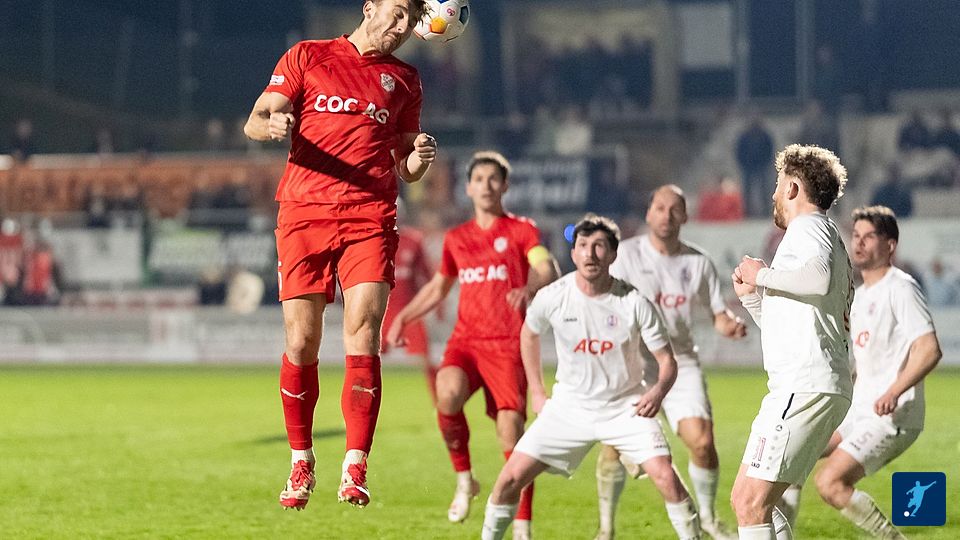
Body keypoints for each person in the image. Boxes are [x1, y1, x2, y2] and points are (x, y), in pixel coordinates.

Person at [242, 0, 435, 510]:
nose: (402, 27)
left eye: (410, 21)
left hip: (370, 216)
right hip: (304, 213)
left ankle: (355, 465)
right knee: (301, 340)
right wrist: (270, 127)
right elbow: (255, 120)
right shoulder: (308, 55)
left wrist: (418, 158)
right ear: (370, 7)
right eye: (396, 13)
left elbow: (405, 164)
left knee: (363, 331)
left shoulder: (405, 79)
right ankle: (301, 460)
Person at [480, 214, 702, 540]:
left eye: (599, 246)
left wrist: (656, 393)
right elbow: (529, 334)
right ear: (573, 254)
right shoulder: (554, 296)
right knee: (509, 480)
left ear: (612, 255)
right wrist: (537, 391)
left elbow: (667, 361)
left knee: (666, 477)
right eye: (583, 245)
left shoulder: (634, 302)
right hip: (569, 408)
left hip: (625, 407)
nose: (590, 254)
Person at [387, 151, 560, 539]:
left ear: (505, 186)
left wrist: (530, 287)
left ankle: (522, 526)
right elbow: (438, 286)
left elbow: (545, 266)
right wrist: (403, 316)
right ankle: (465, 480)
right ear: (468, 188)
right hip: (465, 341)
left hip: (507, 345)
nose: (486, 185)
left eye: (493, 178)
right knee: (446, 393)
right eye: (479, 179)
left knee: (511, 434)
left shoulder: (522, 231)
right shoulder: (457, 239)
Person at [777, 205, 941, 538]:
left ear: (890, 245)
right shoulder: (858, 295)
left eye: (869, 236)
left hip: (891, 415)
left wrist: (893, 391)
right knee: (788, 461)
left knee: (830, 482)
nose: (859, 243)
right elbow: (859, 362)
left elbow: (929, 349)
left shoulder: (901, 288)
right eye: (856, 236)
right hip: (858, 410)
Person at [595, 185, 747, 540]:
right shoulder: (625, 256)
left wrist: (730, 325)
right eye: (660, 207)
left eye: (675, 209)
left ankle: (708, 519)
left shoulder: (698, 263)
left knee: (703, 443)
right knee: (613, 447)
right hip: (633, 364)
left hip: (680, 362)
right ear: (649, 213)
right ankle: (606, 528)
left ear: (685, 216)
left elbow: (717, 314)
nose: (667, 215)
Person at [731, 144, 854, 539]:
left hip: (805, 385)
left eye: (778, 184)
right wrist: (753, 298)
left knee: (751, 503)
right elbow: (789, 323)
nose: (774, 194)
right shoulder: (820, 234)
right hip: (807, 384)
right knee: (751, 501)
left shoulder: (809, 227)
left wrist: (762, 275)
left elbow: (818, 279)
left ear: (793, 188)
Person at [380, 218, 438, 403]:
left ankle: (440, 404)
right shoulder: (375, 239)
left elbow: (427, 274)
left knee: (425, 359)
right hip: (380, 312)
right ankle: (361, 405)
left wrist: (438, 304)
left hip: (409, 313)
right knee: (363, 360)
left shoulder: (413, 240)